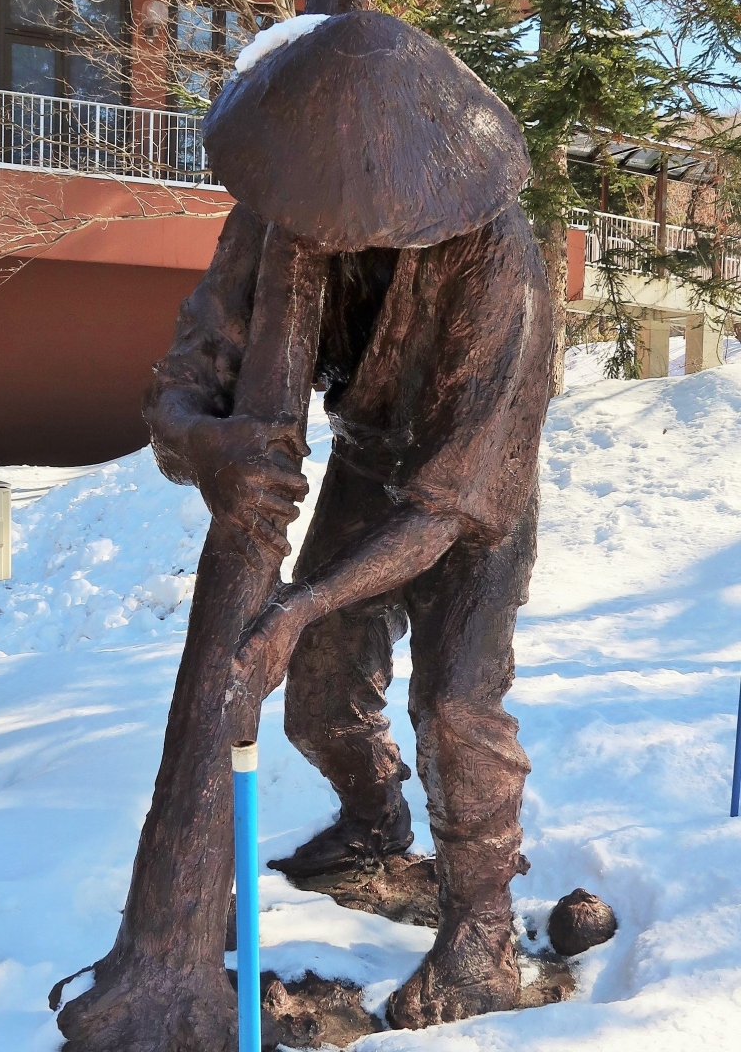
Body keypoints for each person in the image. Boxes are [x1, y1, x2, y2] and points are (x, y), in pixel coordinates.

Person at [144, 193, 553, 1026]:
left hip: (476, 495)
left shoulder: (498, 248)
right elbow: (182, 383)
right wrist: (201, 444)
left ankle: (483, 931)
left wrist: (300, 604)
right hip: (370, 470)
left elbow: (449, 503)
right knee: (320, 696)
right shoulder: (276, 212)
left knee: (455, 706)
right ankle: (374, 824)